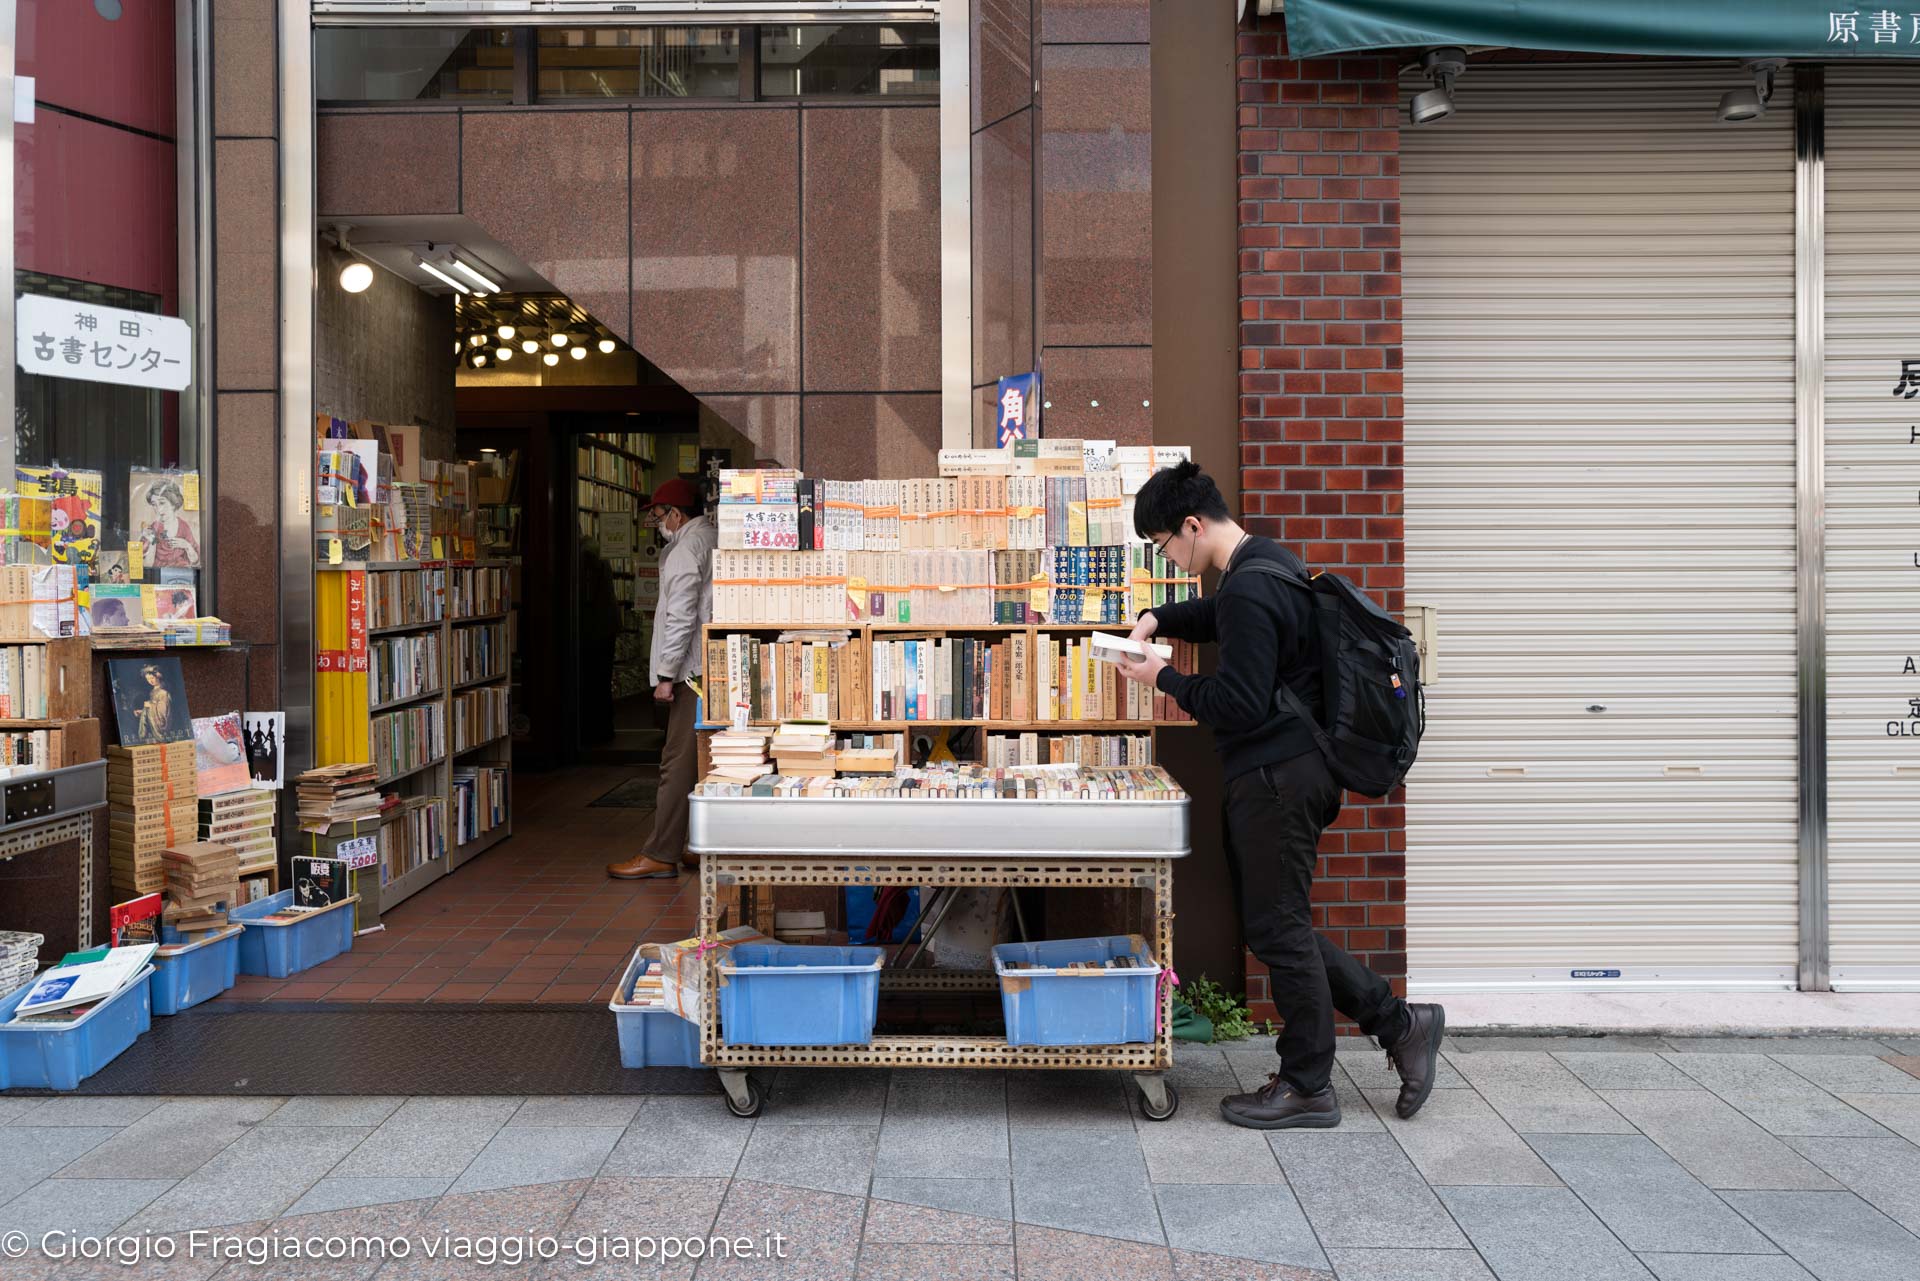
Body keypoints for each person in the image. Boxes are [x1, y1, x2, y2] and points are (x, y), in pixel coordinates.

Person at [1113, 461, 1444, 1130]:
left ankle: (1308, 1083)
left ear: (1192, 525)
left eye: (1165, 544)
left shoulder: (1248, 589)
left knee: (1279, 929)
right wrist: (1159, 615)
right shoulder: (1268, 563)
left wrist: (1164, 677)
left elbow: (1236, 701)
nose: (1171, 558)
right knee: (1280, 923)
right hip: (1297, 772)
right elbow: (1221, 617)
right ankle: (1401, 1023)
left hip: (1275, 778)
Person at [607, 477, 715, 880]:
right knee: (704, 761)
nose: (655, 523)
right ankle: (692, 843)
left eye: (657, 514)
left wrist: (666, 675)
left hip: (692, 673)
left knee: (677, 762)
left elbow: (681, 615)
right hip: (709, 667)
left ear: (675, 512)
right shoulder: (710, 538)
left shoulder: (687, 547)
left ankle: (661, 852)